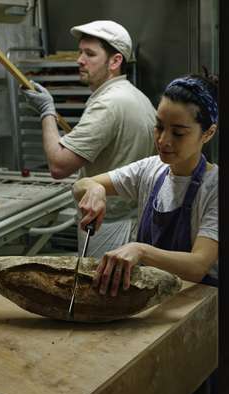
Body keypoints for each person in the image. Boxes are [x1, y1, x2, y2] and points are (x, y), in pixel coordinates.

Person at [72, 73, 218, 297]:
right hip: (150, 297)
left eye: (178, 133)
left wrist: (140, 251)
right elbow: (80, 185)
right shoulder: (150, 170)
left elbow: (198, 266)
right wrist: (95, 189)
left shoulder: (215, 187)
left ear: (208, 133)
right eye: (159, 127)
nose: (163, 141)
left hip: (197, 304)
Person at [21, 20, 156, 257]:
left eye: (90, 54)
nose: (79, 60)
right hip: (131, 219)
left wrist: (46, 111)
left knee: (102, 291)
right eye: (80, 52)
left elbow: (59, 166)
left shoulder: (108, 104)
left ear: (115, 61)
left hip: (108, 225)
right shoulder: (135, 96)